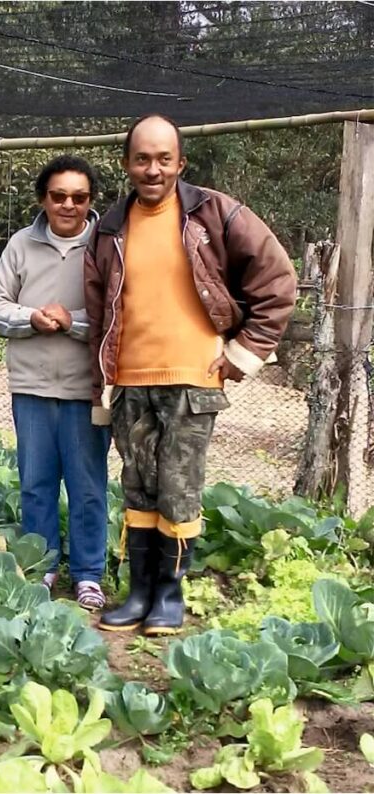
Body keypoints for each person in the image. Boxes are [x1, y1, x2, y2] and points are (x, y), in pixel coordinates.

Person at [85, 114, 296, 635]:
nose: (152, 169)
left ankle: (169, 597)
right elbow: (97, 310)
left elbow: (278, 279)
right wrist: (102, 378)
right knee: (138, 486)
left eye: (163, 158)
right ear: (127, 163)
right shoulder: (110, 227)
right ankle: (138, 594)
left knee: (178, 489)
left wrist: (244, 353)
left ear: (180, 162)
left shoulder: (215, 212)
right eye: (141, 158)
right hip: (131, 379)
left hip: (192, 377)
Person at [0, 154, 111, 611]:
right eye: (59, 196)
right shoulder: (20, 245)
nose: (68, 205)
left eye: (79, 197)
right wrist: (32, 318)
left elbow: (119, 313)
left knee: (88, 485)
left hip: (86, 388)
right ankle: (42, 568)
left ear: (90, 200)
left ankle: (88, 573)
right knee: (36, 482)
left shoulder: (108, 244)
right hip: (31, 386)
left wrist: (72, 322)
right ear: (44, 199)